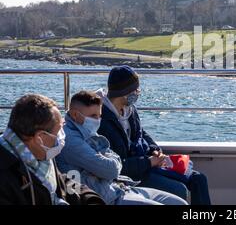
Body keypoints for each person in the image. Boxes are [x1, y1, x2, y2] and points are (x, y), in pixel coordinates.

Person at [97, 66, 211, 205]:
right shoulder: (102, 121)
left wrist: (154, 149)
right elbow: (116, 165)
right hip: (131, 175)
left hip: (146, 163)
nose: (138, 92)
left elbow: (141, 133)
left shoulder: (129, 109)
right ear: (124, 92)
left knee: (198, 179)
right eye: (136, 89)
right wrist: (149, 162)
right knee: (179, 190)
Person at [56, 91, 187, 205]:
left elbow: (113, 159)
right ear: (74, 115)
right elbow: (111, 171)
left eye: (99, 115)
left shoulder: (86, 130)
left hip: (118, 187)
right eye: (93, 116)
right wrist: (108, 162)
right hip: (105, 198)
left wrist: (107, 162)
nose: (97, 120)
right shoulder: (70, 140)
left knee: (180, 203)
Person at [0, 94, 105, 205]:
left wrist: (90, 198)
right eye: (59, 130)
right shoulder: (5, 178)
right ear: (40, 137)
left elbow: (62, 182)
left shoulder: (41, 155)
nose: (62, 136)